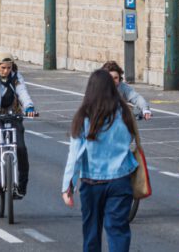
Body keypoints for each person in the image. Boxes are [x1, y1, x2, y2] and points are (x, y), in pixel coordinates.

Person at [61, 69, 138, 252]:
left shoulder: (84, 116)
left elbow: (75, 155)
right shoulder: (124, 113)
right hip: (120, 179)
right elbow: (131, 141)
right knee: (118, 230)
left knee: (92, 232)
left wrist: (68, 186)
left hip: (92, 181)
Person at [0, 52, 36, 197]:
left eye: (9, 68)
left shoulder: (16, 76)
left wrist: (29, 107)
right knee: (0, 132)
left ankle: (22, 186)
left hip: (13, 114)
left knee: (21, 148)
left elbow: (22, 91)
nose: (6, 71)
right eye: (3, 67)